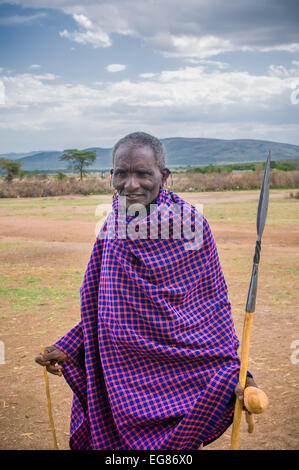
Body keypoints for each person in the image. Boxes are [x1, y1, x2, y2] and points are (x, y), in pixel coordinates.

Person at [35, 131, 257, 450]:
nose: (131, 184)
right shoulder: (113, 228)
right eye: (121, 173)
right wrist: (71, 345)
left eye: (142, 173)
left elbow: (212, 308)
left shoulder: (192, 226)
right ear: (111, 175)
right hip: (118, 376)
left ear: (163, 176)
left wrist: (238, 371)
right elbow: (103, 308)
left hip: (181, 375)